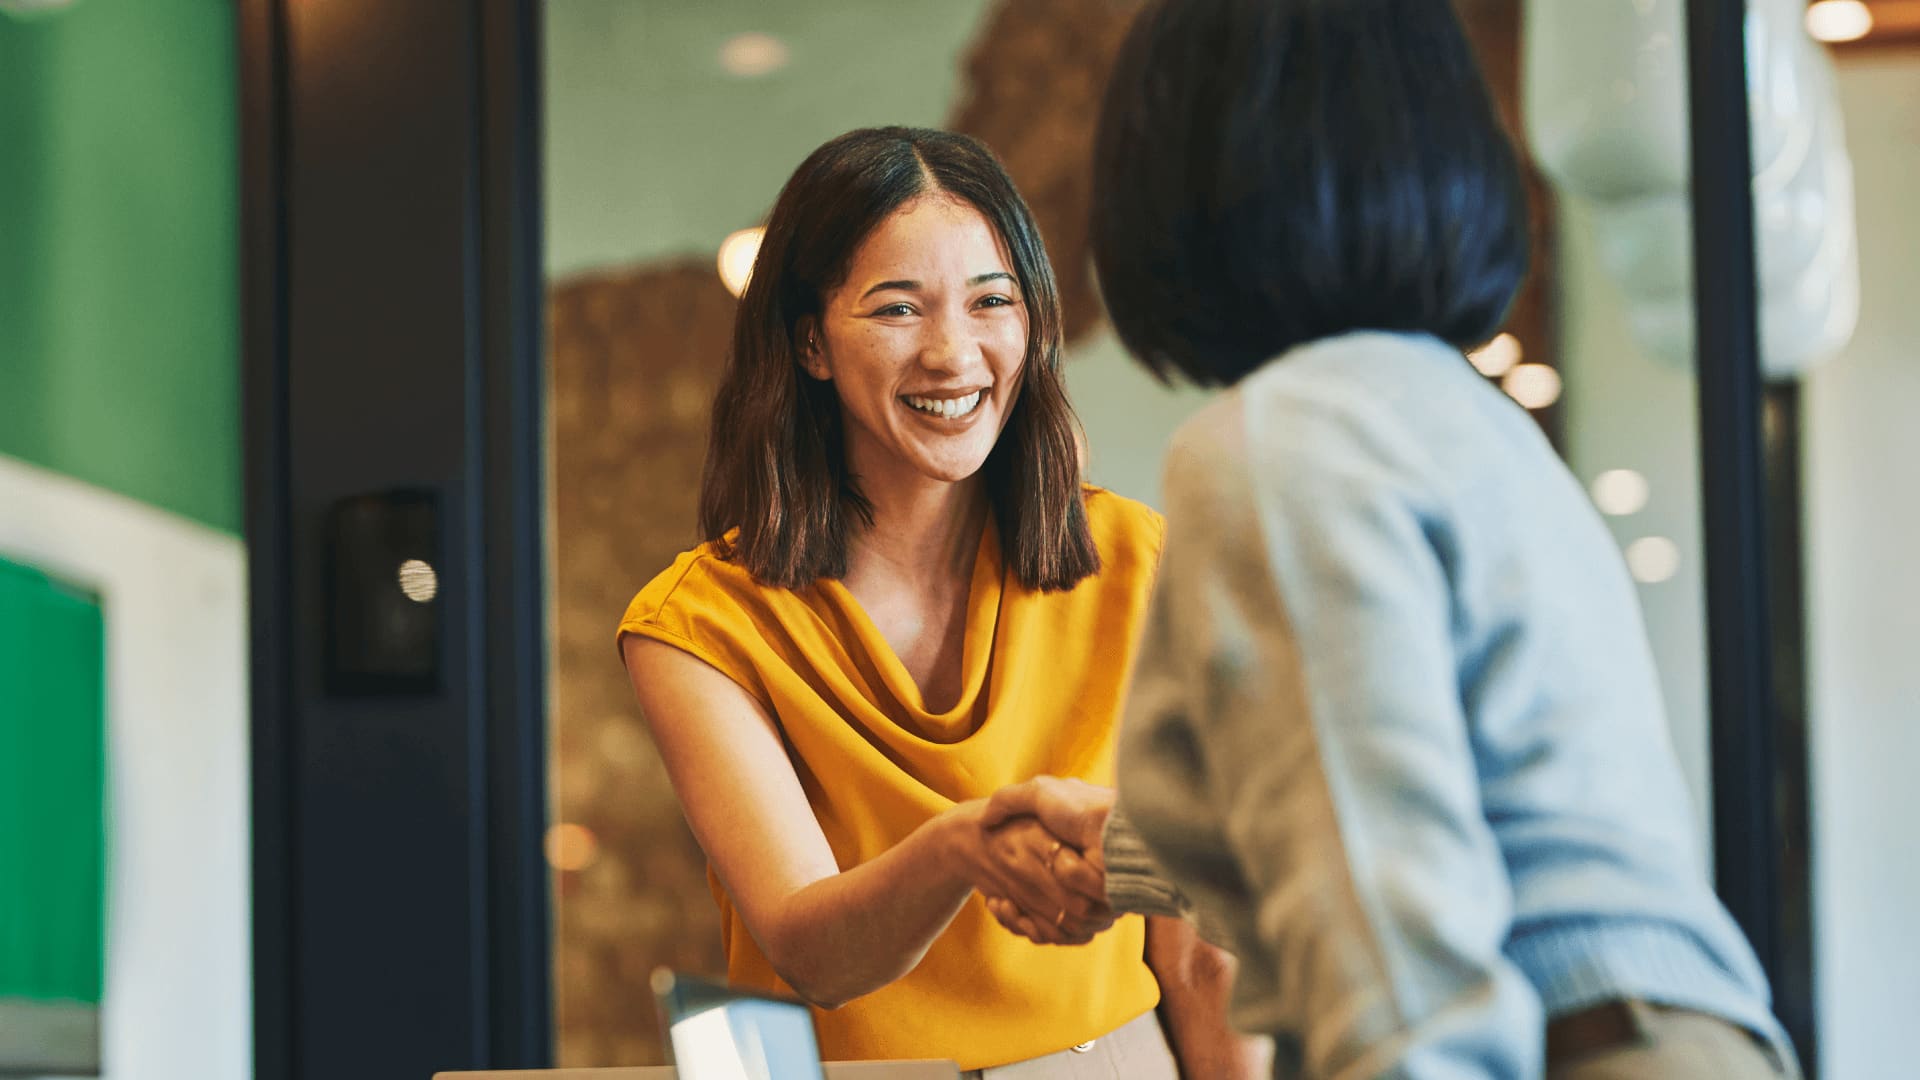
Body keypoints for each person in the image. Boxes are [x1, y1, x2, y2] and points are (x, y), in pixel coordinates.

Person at [980, 1, 1799, 1077]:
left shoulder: (1280, 445)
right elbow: (1463, 813)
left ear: (1178, 176)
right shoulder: (1464, 421)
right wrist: (1127, 852)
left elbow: (1395, 948)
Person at [616, 126, 1256, 1077]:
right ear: (810, 343)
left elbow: (1202, 949)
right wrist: (965, 847)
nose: (954, 354)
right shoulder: (696, 626)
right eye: (898, 309)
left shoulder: (1136, 560)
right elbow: (812, 951)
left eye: (992, 301)